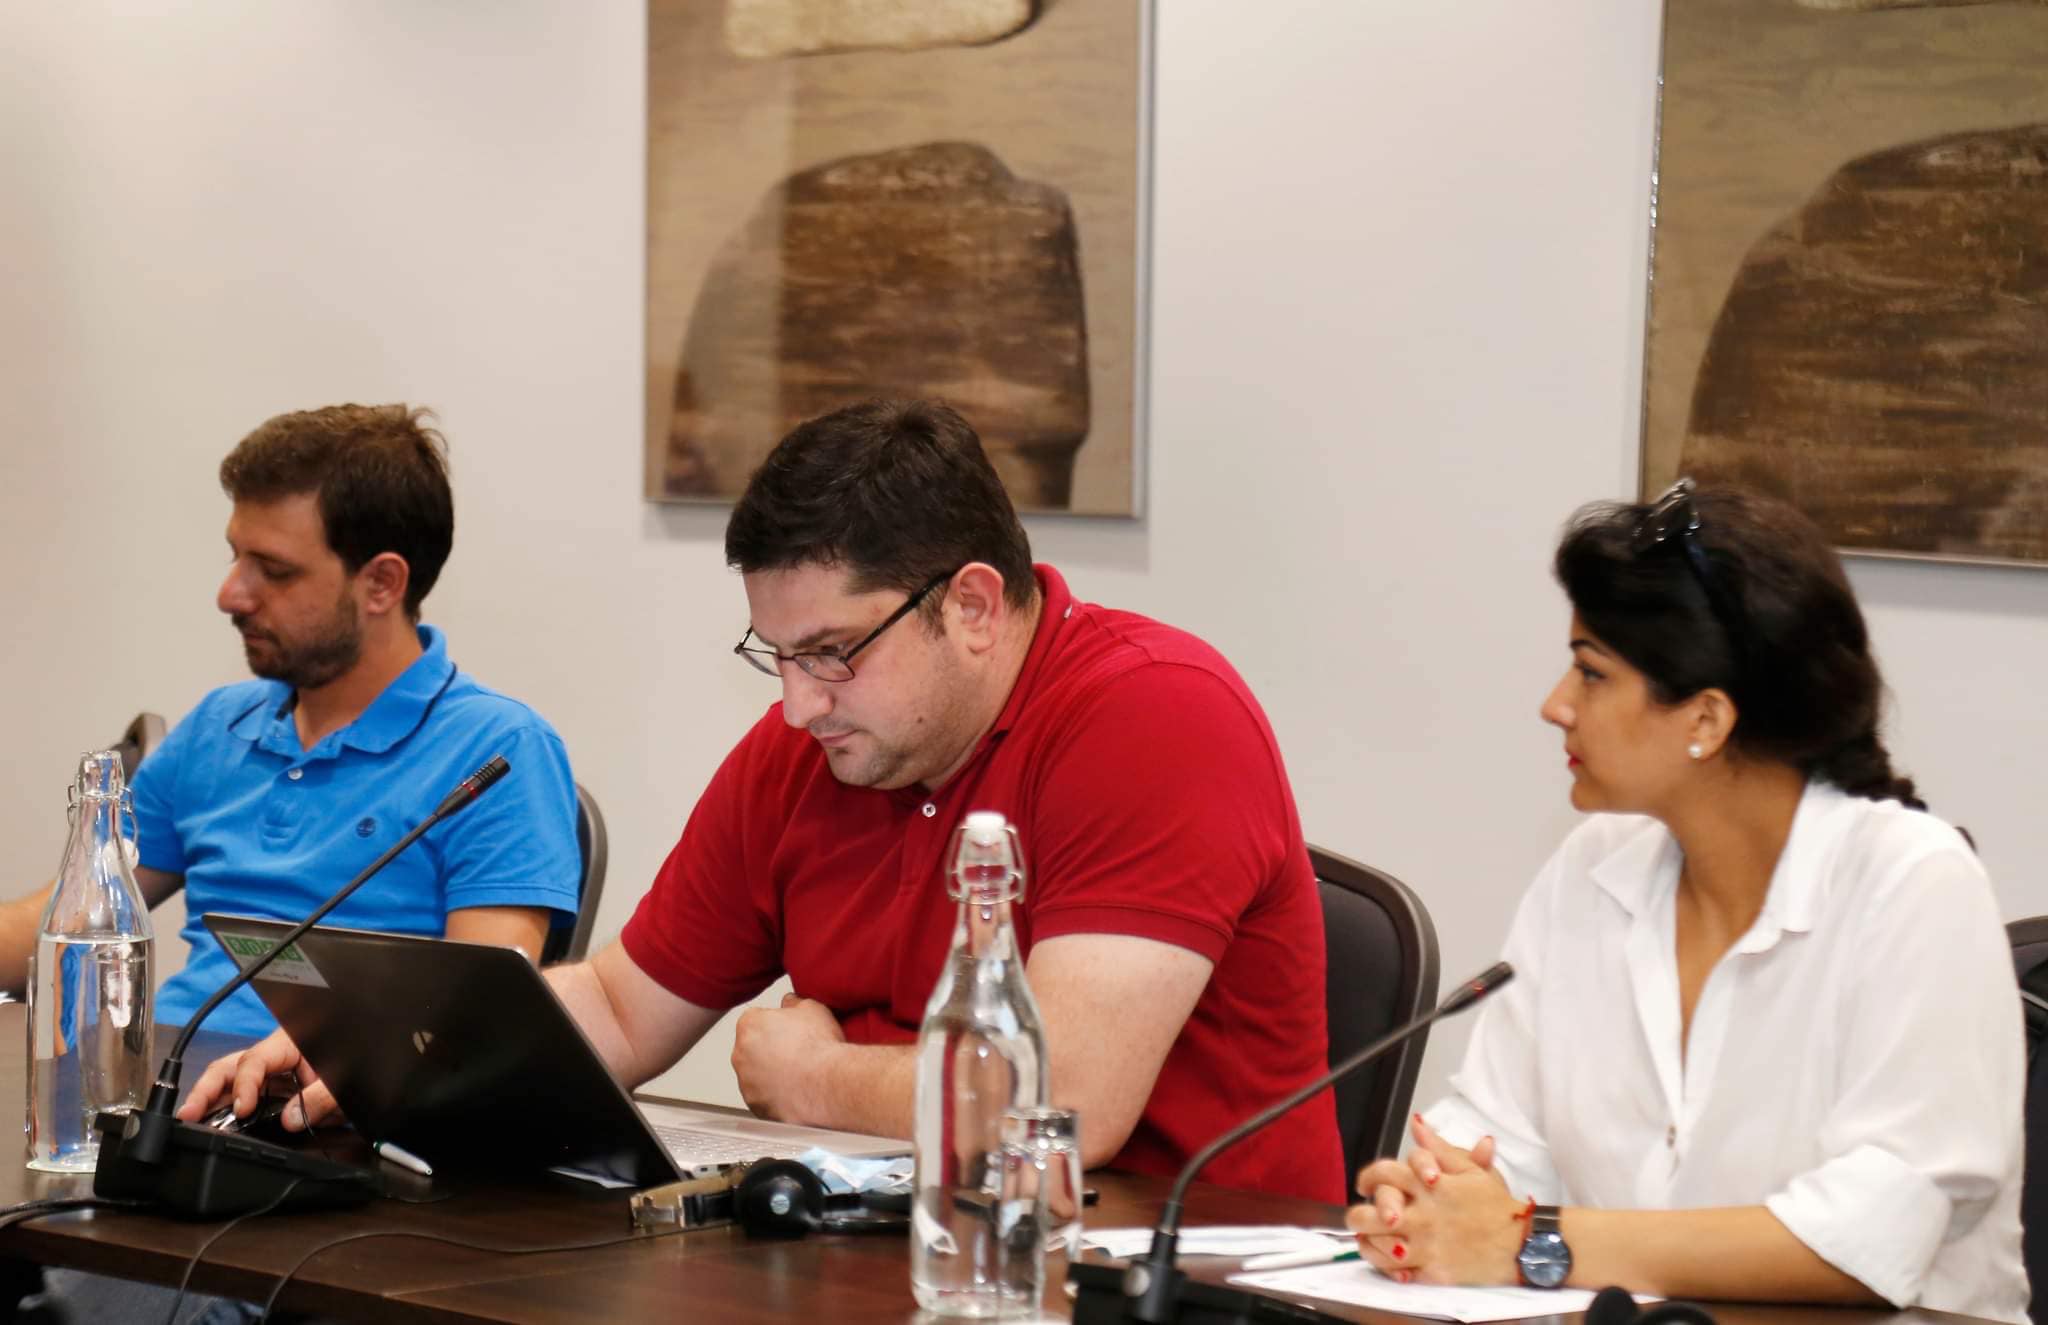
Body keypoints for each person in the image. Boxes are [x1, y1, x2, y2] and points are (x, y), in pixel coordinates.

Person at [185, 398, 1344, 1201]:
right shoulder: (821, 747)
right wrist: (378, 1055)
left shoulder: (1153, 715)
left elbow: (1060, 1104)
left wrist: (815, 1080)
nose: (796, 704)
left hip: (1162, 1271)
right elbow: (622, 1008)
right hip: (895, 1247)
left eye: (832, 651)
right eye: (774, 654)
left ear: (973, 606)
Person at [1346, 481, 2027, 1320]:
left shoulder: (1912, 883)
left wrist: (1533, 1241)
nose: (1555, 704)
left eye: (1592, 672)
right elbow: (1498, 1132)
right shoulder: (1593, 867)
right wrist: (1430, 1197)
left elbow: (1869, 1239)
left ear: (1705, 718)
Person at [0, 404, 583, 1037]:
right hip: (167, 1075)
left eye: (274, 571)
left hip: (339, 1093)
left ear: (382, 584)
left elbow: (476, 1016)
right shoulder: (216, 727)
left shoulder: (497, 752)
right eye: (235, 557)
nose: (231, 595)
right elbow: (68, 920)